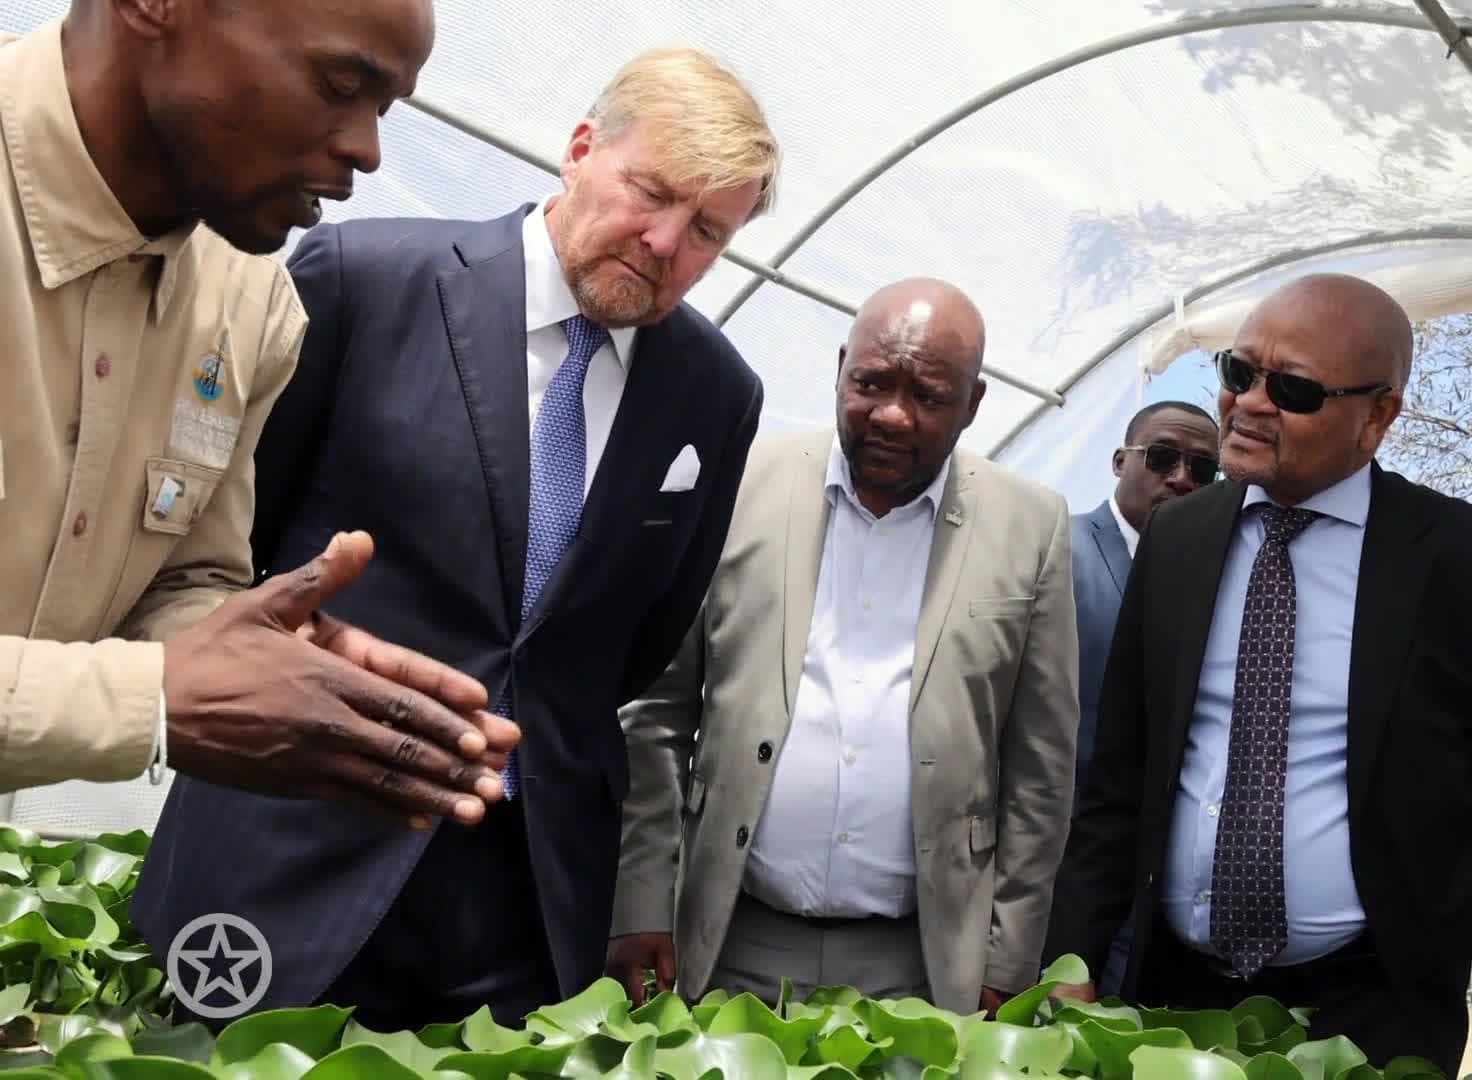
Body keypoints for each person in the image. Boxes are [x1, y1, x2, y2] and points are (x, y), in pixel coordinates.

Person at [130, 46, 779, 1030]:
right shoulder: (366, 281)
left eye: (706, 232)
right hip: (293, 838)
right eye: (650, 192)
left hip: (523, 894)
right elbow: (231, 551)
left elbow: (640, 641)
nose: (662, 242)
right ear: (578, 150)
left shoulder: (716, 396)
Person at [1043, 273, 1472, 1077]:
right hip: (1174, 999)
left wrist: (1417, 883)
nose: (1248, 404)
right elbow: (1120, 781)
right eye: (1238, 373)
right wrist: (1074, 961)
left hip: (1375, 1004)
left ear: (1379, 415)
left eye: (1294, 389)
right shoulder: (1177, 540)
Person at [1, 0, 518, 820]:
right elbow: (153, 690)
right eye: (341, 82)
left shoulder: (254, 307)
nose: (369, 151)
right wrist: (156, 699)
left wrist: (265, 661)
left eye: (383, 110)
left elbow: (183, 576)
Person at [610, 278, 1079, 1016]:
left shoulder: (1032, 526)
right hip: (730, 934)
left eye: (927, 395)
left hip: (922, 959)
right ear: (838, 368)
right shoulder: (738, 483)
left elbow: (1040, 774)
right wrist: (640, 899)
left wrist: (1010, 953)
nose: (892, 414)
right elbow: (659, 710)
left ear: (974, 405)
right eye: (870, 383)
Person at [1069, 400, 1218, 995]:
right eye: (1161, 457)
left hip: (1171, 899)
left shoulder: (1223, 579)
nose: (1180, 477)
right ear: (1118, 460)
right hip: (1071, 880)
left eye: (1203, 469)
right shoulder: (1060, 552)